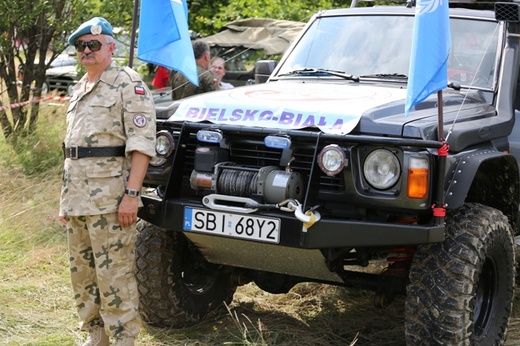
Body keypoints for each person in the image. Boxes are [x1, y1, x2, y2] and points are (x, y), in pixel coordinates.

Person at [59, 17, 156, 346]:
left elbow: (142, 144)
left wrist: (132, 195)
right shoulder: (79, 88)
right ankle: (96, 333)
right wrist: (65, 201)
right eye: (81, 46)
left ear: (111, 47)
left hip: (111, 198)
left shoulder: (128, 83)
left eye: (94, 44)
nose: (87, 50)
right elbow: (72, 150)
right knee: (82, 273)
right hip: (77, 198)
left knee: (115, 274)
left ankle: (123, 339)